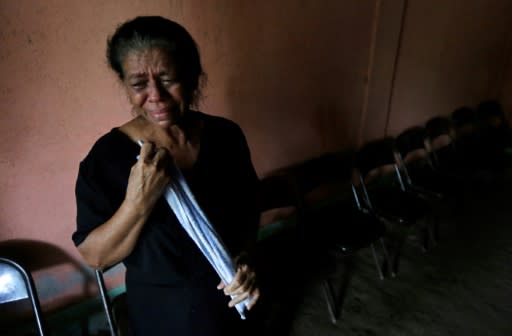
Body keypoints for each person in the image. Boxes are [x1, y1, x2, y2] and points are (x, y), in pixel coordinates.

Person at [72, 16, 261, 336]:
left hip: (231, 300)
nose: (155, 95)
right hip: (163, 314)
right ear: (125, 86)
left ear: (191, 77)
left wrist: (243, 260)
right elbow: (97, 257)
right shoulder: (107, 159)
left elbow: (248, 209)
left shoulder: (226, 136)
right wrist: (138, 200)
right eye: (138, 84)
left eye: (167, 78)